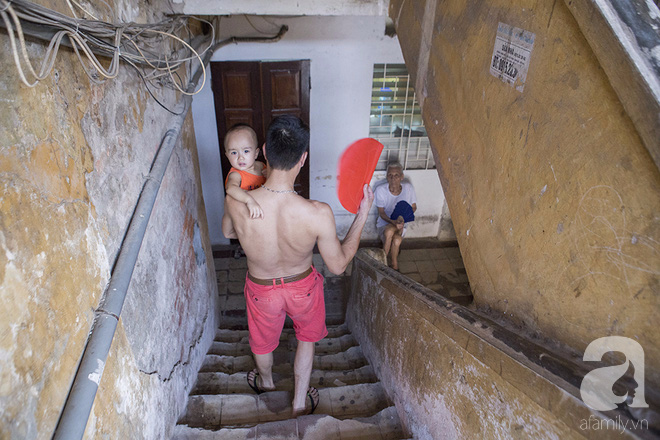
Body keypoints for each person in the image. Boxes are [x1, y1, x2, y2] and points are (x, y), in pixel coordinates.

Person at [222, 115, 374, 417]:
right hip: (303, 287)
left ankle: (265, 383)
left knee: (262, 342)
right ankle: (299, 403)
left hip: (261, 289)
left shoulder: (238, 202)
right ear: (302, 159)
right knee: (306, 338)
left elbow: (228, 232)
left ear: (264, 150)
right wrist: (362, 214)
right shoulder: (317, 213)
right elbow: (339, 265)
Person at [375, 162, 417, 271]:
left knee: (394, 237)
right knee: (393, 236)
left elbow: (413, 207)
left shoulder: (408, 188)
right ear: (387, 176)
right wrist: (393, 222)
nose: (393, 178)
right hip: (385, 223)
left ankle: (383, 263)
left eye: (396, 175)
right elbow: (382, 213)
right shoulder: (381, 190)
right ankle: (393, 266)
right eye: (390, 175)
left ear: (402, 177)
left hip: (401, 222)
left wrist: (402, 218)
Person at [224, 124, 267, 219]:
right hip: (244, 214)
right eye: (234, 153)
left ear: (256, 153)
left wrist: (269, 175)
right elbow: (231, 189)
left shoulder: (261, 166)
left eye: (246, 151)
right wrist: (249, 200)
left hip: (260, 209)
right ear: (227, 156)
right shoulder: (236, 174)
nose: (240, 157)